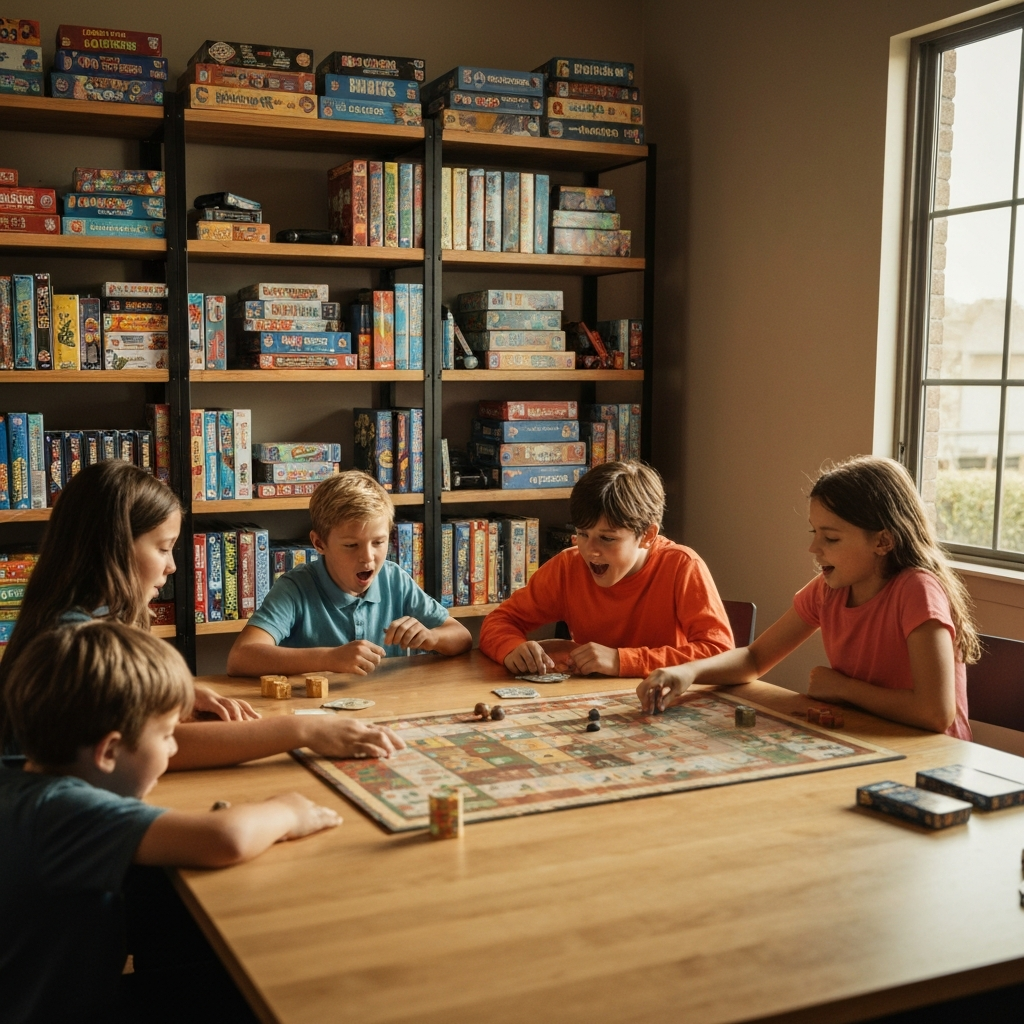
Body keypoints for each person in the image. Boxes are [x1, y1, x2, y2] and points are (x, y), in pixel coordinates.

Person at [0, 620, 345, 1024]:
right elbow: (225, 838)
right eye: (166, 736)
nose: (175, 748)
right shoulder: (66, 812)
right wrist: (287, 809)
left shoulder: (20, 777)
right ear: (109, 751)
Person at [0, 461, 404, 769]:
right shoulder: (72, 645)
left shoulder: (82, 621)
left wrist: (177, 694)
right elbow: (153, 750)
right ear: (112, 548)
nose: (173, 566)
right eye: (162, 548)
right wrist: (304, 730)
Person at [638, 456, 979, 739]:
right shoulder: (828, 589)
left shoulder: (917, 590)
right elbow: (755, 659)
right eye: (815, 533)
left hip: (931, 760)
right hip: (867, 739)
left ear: (882, 542)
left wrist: (843, 688)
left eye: (831, 538)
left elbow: (935, 713)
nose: (814, 548)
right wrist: (687, 672)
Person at [478, 461, 734, 677]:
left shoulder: (682, 566)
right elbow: (499, 621)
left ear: (647, 535)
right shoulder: (568, 566)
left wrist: (621, 661)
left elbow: (721, 653)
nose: (591, 551)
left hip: (666, 705)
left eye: (607, 538)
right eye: (582, 534)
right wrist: (511, 647)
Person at [228, 470, 472, 677]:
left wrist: (431, 638)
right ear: (319, 543)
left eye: (378, 542)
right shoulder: (296, 587)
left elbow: (462, 637)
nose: (368, 557)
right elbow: (241, 657)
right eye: (351, 545)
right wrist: (329, 659)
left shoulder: (394, 578)